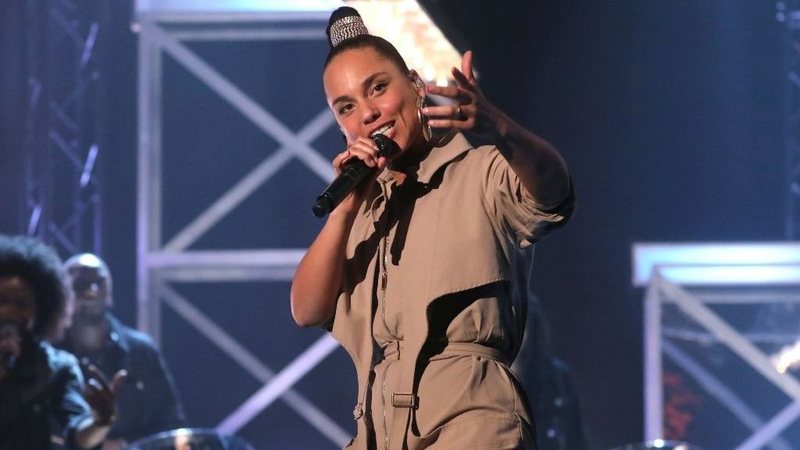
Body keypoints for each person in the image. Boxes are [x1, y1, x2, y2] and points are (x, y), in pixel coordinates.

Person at [290, 6, 575, 450]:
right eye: (346, 107)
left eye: (378, 88)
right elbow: (306, 310)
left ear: (417, 87)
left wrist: (498, 127)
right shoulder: (363, 212)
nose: (366, 113)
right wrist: (344, 211)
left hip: (471, 426)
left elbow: (554, 190)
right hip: (378, 435)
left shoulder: (477, 172)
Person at [0, 234, 120, 450]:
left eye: (21, 303)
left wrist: (100, 424)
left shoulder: (56, 367)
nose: (10, 312)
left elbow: (78, 433)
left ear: (42, 309)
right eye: (2, 301)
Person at [57, 253, 186, 449]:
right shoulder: (49, 357)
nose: (91, 291)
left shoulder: (141, 353)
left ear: (110, 292)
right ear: (64, 293)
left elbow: (170, 425)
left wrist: (124, 445)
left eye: (99, 282)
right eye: (81, 283)